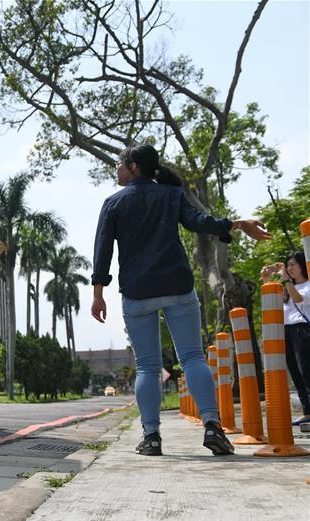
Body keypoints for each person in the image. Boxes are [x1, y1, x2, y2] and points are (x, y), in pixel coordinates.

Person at [90, 143, 271, 456]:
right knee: (192, 358)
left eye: (121, 165)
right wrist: (237, 224)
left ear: (133, 166)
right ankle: (213, 427)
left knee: (147, 367)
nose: (117, 170)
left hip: (137, 291)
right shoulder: (171, 195)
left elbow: (102, 252)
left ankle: (151, 437)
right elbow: (201, 222)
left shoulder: (113, 203)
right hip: (177, 285)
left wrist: (98, 294)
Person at [261, 252, 310, 425]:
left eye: (292, 265)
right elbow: (276, 304)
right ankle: (307, 410)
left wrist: (286, 279)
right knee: (295, 371)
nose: (289, 268)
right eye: (287, 265)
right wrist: (266, 280)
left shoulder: (306, 285)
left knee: (306, 369)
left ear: (302, 265)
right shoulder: (289, 290)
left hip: (303, 330)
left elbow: (299, 299)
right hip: (287, 330)